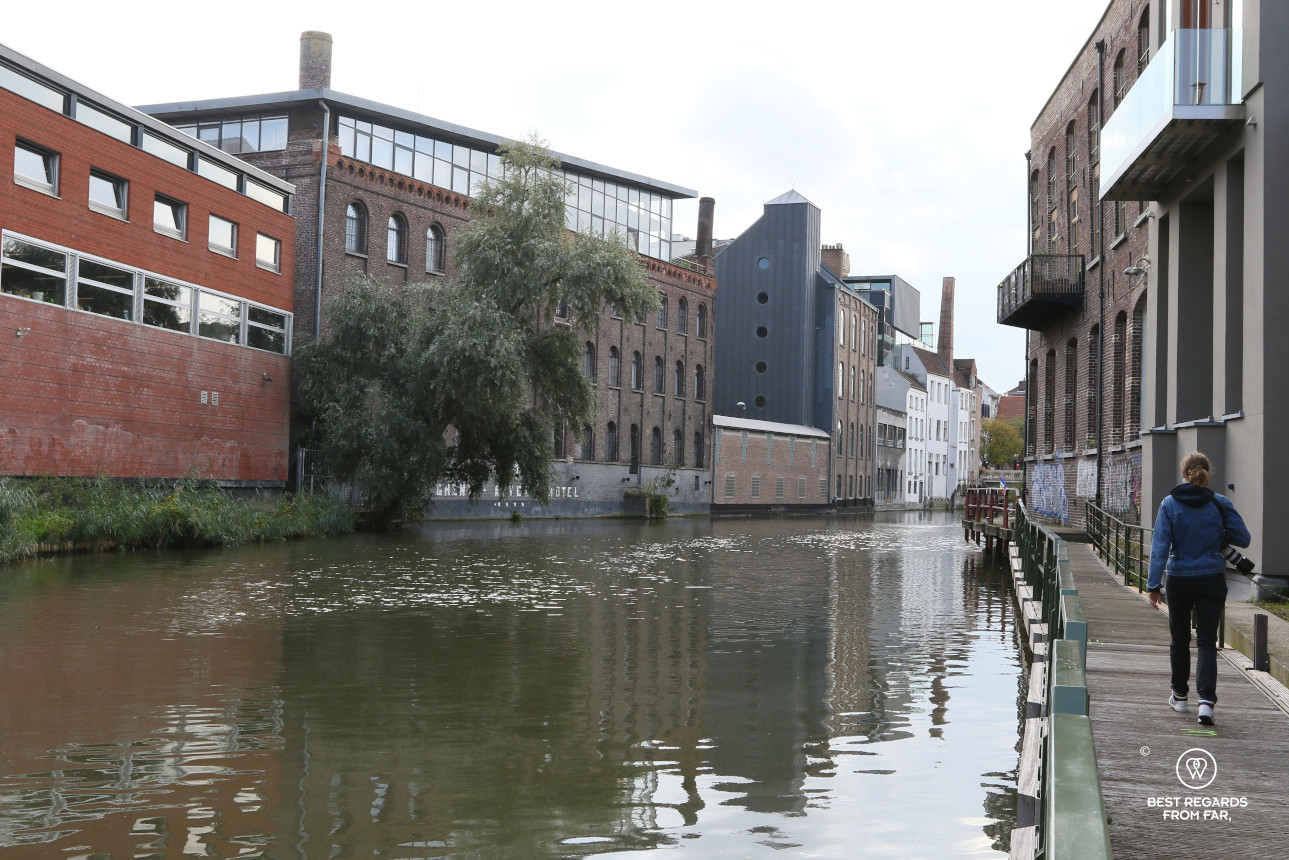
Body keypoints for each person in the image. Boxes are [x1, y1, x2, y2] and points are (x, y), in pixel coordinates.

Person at [1147, 452, 1250, 726]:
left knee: (1179, 640)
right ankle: (1206, 705)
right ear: (1207, 474)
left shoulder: (1169, 504)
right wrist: (1221, 535)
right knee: (1206, 642)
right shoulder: (1220, 503)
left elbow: (1159, 549)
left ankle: (1180, 698)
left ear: (1184, 474)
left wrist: (1153, 585)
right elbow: (1244, 538)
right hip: (1211, 578)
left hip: (1179, 579)